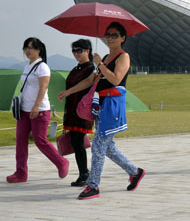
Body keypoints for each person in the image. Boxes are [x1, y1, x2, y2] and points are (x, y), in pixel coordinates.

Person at [58, 22, 145, 200]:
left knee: (98, 145)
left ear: (122, 38)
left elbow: (116, 79)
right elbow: (91, 80)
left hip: (112, 106)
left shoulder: (123, 57)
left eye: (114, 35)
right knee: (108, 147)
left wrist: (100, 64)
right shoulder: (105, 58)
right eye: (108, 34)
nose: (110, 38)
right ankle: (135, 172)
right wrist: (69, 91)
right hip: (100, 106)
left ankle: (93, 185)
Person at [7, 38, 69, 183]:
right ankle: (21, 173)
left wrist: (36, 106)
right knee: (20, 141)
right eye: (25, 48)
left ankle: (61, 162)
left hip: (39, 110)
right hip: (23, 110)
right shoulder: (28, 66)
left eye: (31, 48)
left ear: (39, 50)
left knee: (40, 141)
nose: (27, 51)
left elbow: (43, 87)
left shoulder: (42, 67)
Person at [62, 39, 95, 186]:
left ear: (88, 51)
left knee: (77, 142)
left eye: (79, 50)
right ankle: (84, 173)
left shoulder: (91, 68)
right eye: (74, 51)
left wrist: (68, 92)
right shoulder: (76, 68)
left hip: (82, 111)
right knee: (76, 142)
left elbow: (87, 83)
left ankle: (84, 175)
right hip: (72, 110)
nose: (76, 54)